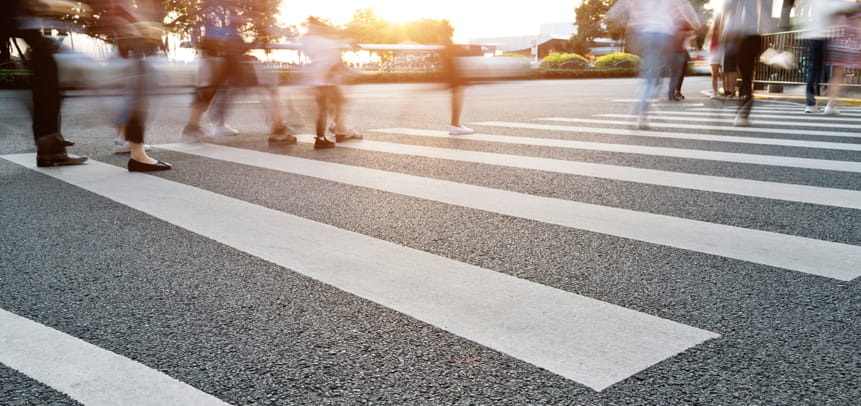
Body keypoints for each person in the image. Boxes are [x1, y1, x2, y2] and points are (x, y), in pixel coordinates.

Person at [1, 0, 88, 167]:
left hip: (24, 26)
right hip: (21, 24)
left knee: (46, 87)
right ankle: (50, 146)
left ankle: (49, 143)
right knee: (47, 88)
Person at [88, 0, 171, 171]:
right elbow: (119, 9)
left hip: (130, 40)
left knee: (137, 93)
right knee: (138, 94)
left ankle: (132, 145)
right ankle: (136, 152)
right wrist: (138, 26)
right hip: (131, 40)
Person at [605, 0, 700, 129]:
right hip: (661, 33)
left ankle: (641, 106)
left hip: (642, 33)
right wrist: (696, 21)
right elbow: (685, 5)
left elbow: (623, 3)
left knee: (649, 74)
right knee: (653, 77)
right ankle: (641, 114)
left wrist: (609, 15)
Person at [301, 17, 362, 149]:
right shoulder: (323, 41)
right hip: (325, 80)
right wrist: (351, 43)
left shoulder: (309, 40)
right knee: (338, 102)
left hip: (316, 79)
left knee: (328, 106)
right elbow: (339, 44)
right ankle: (333, 128)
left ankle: (323, 135)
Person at [718, 0, 774, 127]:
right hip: (751, 34)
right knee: (747, 76)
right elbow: (765, 12)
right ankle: (743, 113)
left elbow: (727, 9)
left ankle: (741, 110)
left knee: (743, 75)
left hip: (735, 34)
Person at [823, 5, 861, 115]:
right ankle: (831, 104)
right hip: (850, 45)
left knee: (837, 76)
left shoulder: (841, 8)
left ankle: (830, 105)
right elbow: (859, 28)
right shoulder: (857, 10)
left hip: (836, 44)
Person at [441, 43, 474, 135]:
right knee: (457, 87)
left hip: (446, 47)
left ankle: (455, 125)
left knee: (457, 87)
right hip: (447, 48)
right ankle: (455, 125)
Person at [667, 20, 696, 101]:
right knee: (675, 73)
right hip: (673, 50)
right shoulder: (668, 20)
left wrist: (683, 33)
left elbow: (692, 31)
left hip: (682, 50)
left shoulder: (683, 21)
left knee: (681, 73)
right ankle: (672, 92)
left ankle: (676, 91)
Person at [704, 15, 726, 99]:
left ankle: (724, 89)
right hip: (714, 52)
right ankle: (715, 91)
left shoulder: (724, 28)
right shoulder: (712, 30)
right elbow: (707, 40)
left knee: (723, 73)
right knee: (715, 74)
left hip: (722, 51)